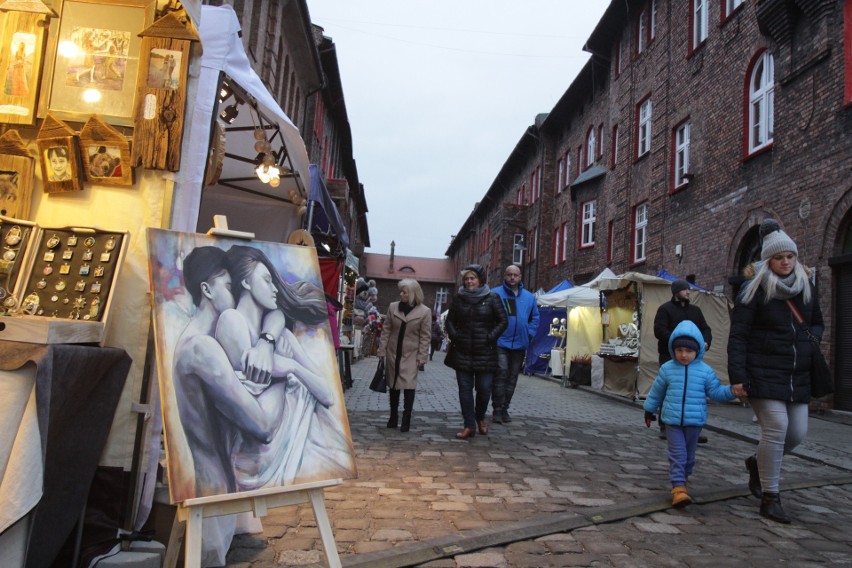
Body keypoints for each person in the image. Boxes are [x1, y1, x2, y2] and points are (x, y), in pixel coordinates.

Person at [216, 245, 352, 489]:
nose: (275, 288)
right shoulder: (232, 321)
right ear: (246, 283)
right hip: (258, 459)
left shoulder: (281, 336)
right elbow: (260, 417)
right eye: (267, 280)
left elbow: (328, 394)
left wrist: (290, 366)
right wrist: (284, 371)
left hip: (292, 453)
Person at [728, 219, 824, 524]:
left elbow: (818, 321)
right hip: (762, 371)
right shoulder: (753, 290)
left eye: (790, 256)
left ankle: (757, 463)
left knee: (797, 433)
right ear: (768, 260)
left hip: (797, 373)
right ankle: (771, 497)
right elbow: (738, 335)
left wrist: (813, 341)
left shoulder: (805, 285)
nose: (786, 262)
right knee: (777, 427)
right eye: (779, 257)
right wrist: (737, 377)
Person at [643, 321, 745, 508]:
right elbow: (656, 391)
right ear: (673, 349)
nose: (683, 354)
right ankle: (678, 488)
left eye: (688, 351)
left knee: (689, 457)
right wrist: (649, 409)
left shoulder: (705, 372)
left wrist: (732, 391)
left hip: (694, 421)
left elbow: (715, 392)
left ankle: (684, 479)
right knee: (678, 454)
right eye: (679, 350)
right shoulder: (667, 369)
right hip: (672, 421)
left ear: (697, 350)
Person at [445, 264, 507, 439]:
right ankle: (469, 425)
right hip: (462, 351)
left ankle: (480, 417)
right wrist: (455, 336)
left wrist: (490, 337)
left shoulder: (492, 298)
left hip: (485, 352)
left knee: (484, 388)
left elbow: (503, 321)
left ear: (480, 280)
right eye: (466, 279)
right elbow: (449, 321)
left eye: (472, 278)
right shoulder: (458, 299)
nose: (469, 281)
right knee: (464, 389)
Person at [653, 278, 712, 442]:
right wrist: (676, 341)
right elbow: (659, 330)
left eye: (688, 289)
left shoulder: (695, 311)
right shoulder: (665, 309)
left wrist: (706, 342)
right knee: (669, 390)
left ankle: (692, 429)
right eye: (685, 289)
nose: (688, 292)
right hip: (669, 356)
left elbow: (705, 328)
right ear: (676, 291)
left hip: (692, 358)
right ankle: (666, 426)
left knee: (692, 392)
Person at [379, 278, 432, 432]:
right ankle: (393, 415)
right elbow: (386, 330)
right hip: (393, 352)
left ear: (413, 294)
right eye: (400, 291)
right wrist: (382, 350)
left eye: (404, 292)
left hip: (411, 354)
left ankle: (406, 418)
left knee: (409, 386)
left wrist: (422, 357)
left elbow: (425, 336)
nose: (401, 294)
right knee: (393, 385)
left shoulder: (424, 311)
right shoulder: (393, 307)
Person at [491, 264, 539, 424]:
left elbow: (535, 318)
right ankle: (497, 409)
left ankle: (505, 408)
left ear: (520, 277)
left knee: (512, 377)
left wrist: (530, 334)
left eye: (515, 275)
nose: (512, 278)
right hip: (500, 342)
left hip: (520, 343)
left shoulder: (529, 297)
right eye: (509, 274)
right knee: (501, 373)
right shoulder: (496, 293)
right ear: (505, 276)